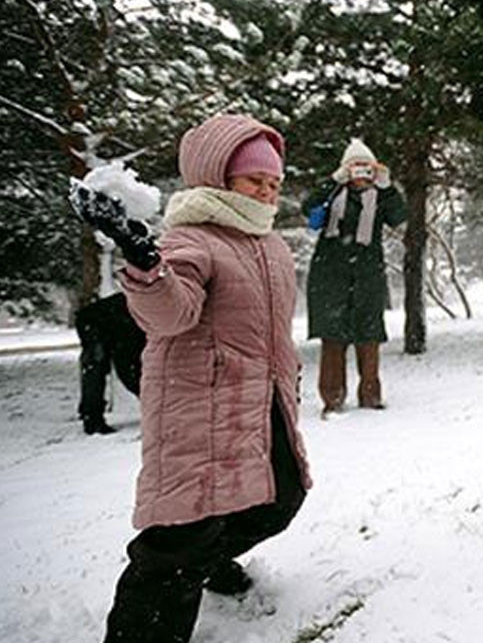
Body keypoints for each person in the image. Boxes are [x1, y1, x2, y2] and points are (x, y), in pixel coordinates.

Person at [71, 114, 312, 643]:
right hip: (199, 409)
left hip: (260, 402)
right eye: (255, 181)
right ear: (217, 178)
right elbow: (168, 315)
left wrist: (286, 378)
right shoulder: (193, 239)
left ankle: (206, 563)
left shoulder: (270, 246)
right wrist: (143, 262)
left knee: (280, 499)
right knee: (180, 540)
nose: (268, 193)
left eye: (274, 183)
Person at [303, 138, 406, 417]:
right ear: (346, 170)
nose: (361, 175)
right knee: (333, 338)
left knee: (369, 336)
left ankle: (371, 397)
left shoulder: (380, 197)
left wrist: (387, 186)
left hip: (367, 275)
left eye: (366, 168)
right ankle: (332, 399)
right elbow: (308, 208)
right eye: (355, 168)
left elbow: (399, 217)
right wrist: (332, 181)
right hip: (330, 274)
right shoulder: (333, 193)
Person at [74, 292, 145, 435]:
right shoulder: (140, 325)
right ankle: (92, 420)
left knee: (95, 368)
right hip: (95, 322)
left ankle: (89, 412)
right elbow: (129, 370)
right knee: (96, 367)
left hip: (103, 320)